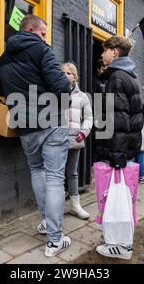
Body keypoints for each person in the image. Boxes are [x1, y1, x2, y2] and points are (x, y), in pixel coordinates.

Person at [0, 14, 72, 257]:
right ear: (31, 29)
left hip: (24, 126)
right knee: (54, 179)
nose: (45, 37)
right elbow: (61, 86)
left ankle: (47, 223)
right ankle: (55, 240)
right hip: (50, 122)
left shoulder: (3, 59)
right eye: (43, 32)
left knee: (37, 172)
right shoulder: (42, 51)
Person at [95, 36, 144, 259]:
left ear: (114, 52)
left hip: (118, 150)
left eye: (105, 50)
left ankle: (119, 245)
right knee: (123, 199)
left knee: (116, 200)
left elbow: (118, 121)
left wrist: (116, 156)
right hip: (127, 149)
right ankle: (122, 243)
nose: (102, 55)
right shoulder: (130, 77)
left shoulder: (116, 79)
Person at [61, 62, 93, 220]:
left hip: (75, 139)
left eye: (69, 73)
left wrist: (83, 132)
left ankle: (75, 205)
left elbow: (88, 117)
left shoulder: (82, 97)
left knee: (72, 173)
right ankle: (57, 206)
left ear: (75, 77)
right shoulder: (56, 92)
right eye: (63, 73)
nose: (65, 75)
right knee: (57, 174)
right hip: (58, 139)